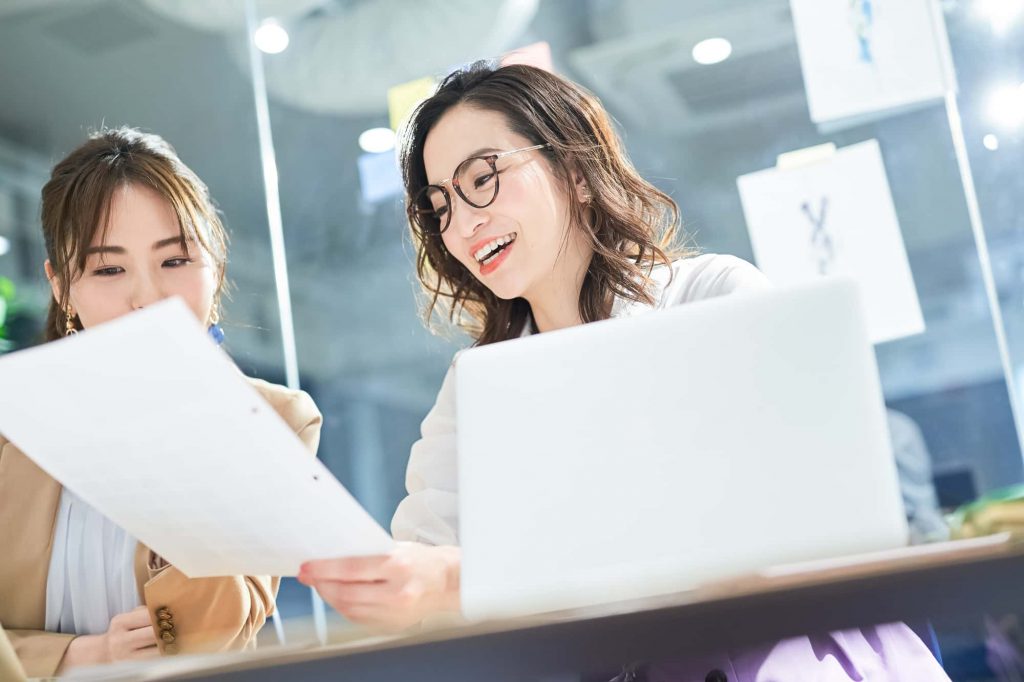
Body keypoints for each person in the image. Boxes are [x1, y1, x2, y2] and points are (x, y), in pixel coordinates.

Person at [299, 63, 948, 680]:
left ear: (574, 171)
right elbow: (426, 557)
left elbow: (781, 532)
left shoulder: (712, 296)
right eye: (441, 206)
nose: (464, 223)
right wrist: (394, 583)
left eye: (483, 179)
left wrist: (459, 580)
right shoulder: (476, 387)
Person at [0, 128, 322, 677]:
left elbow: (213, 633)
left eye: (174, 261)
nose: (147, 296)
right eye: (108, 269)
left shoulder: (273, 421)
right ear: (61, 287)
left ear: (214, 266)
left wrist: (189, 427)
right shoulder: (13, 415)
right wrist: (78, 658)